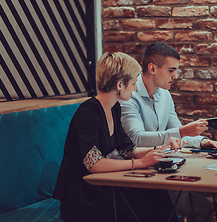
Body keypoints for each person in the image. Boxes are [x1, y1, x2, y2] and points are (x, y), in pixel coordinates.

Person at [53, 52, 182, 222]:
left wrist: (160, 149)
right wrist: (141, 163)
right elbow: (93, 163)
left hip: (100, 189)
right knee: (150, 195)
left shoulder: (114, 108)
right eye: (134, 83)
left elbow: (125, 148)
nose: (135, 88)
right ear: (120, 85)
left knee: (155, 191)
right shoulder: (89, 112)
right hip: (83, 200)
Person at [119, 42, 217, 222]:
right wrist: (183, 132)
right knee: (198, 207)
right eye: (171, 70)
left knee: (205, 207)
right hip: (142, 179)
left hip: (166, 171)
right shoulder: (129, 95)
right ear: (152, 68)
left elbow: (175, 130)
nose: (175, 76)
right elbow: (136, 139)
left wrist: (200, 141)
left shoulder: (164, 94)